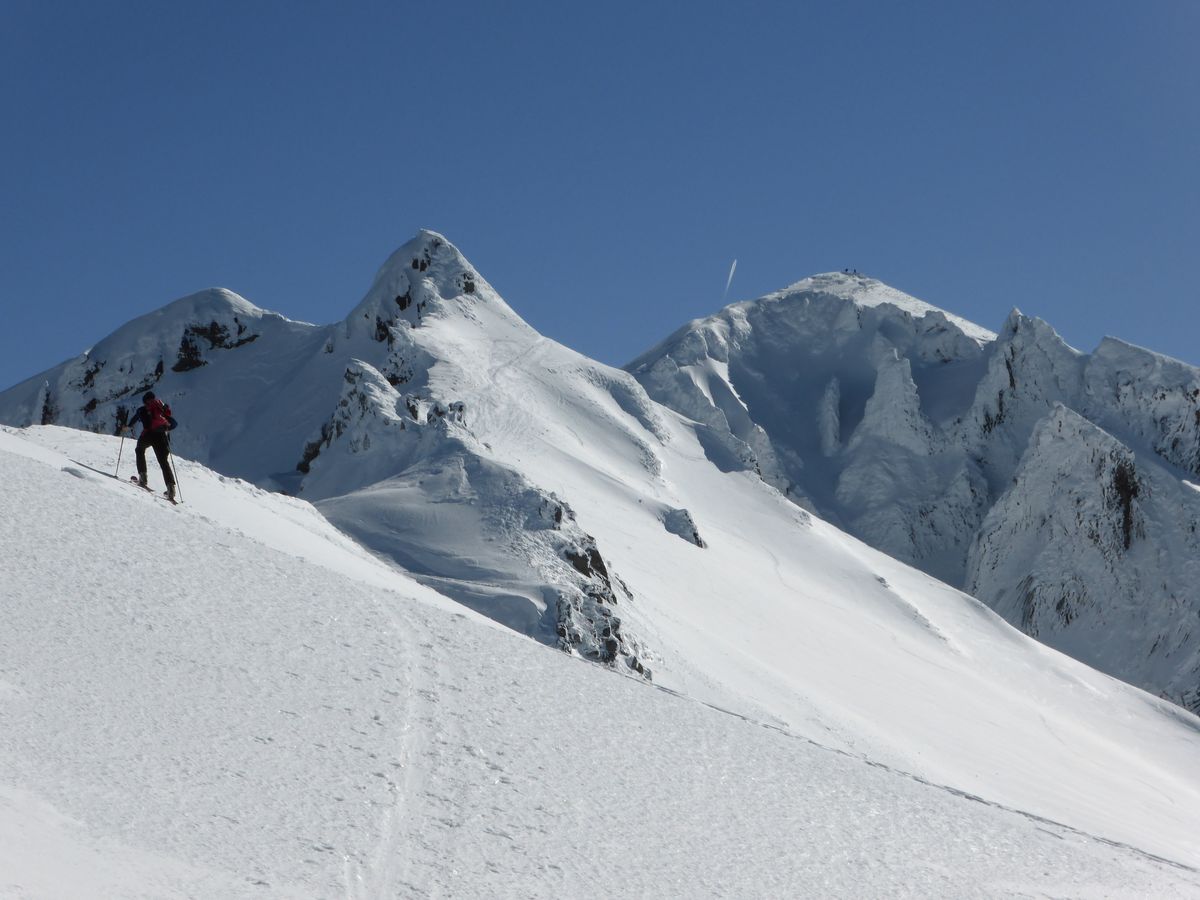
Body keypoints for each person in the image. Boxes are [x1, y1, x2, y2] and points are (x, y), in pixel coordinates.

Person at [124, 391, 177, 500]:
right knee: (163, 462)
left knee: (139, 450)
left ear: (144, 401)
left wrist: (127, 426)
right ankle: (171, 488)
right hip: (161, 436)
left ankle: (143, 477)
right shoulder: (161, 407)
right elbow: (173, 422)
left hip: (148, 435)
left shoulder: (143, 409)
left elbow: (134, 419)